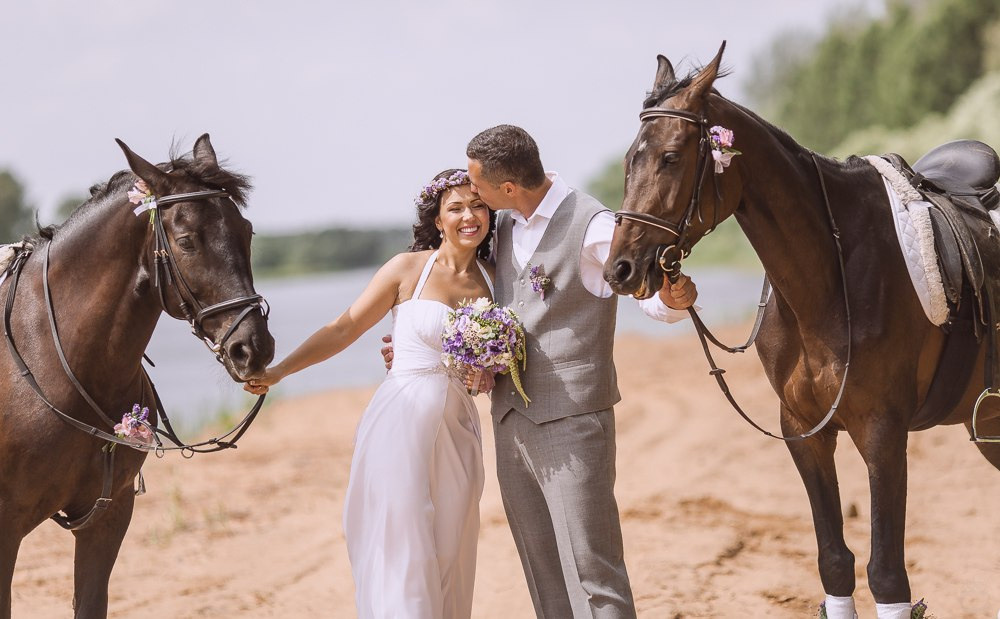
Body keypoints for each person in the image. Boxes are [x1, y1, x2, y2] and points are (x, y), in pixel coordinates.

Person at [383, 126, 697, 618]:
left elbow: (645, 289)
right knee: (543, 571)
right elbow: (467, 301)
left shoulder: (593, 226)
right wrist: (417, 345)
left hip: (574, 420)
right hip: (511, 423)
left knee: (594, 572)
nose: (475, 200)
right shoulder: (504, 229)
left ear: (507, 188)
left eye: (478, 189)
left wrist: (670, 299)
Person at [244, 169, 495, 618]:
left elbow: (507, 354)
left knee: (452, 545)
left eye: (477, 205)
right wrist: (281, 370)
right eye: (455, 207)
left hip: (459, 429)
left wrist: (488, 373)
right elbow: (344, 328)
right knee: (401, 541)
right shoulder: (407, 269)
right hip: (400, 421)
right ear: (438, 220)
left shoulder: (496, 281)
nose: (468, 216)